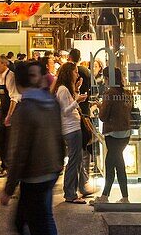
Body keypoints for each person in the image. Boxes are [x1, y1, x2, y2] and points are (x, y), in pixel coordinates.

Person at [0, 60, 64, 235]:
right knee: (35, 218)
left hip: (34, 175)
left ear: (18, 84)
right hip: (49, 170)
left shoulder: (25, 109)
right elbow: (58, 135)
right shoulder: (50, 102)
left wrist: (9, 188)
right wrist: (59, 163)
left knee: (36, 224)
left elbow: (19, 153)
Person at [92, 67, 133, 204]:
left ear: (108, 78)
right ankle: (122, 197)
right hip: (125, 133)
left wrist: (99, 106)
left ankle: (106, 197)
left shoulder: (109, 93)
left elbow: (103, 117)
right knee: (117, 162)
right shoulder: (127, 93)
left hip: (113, 134)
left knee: (112, 164)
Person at [52, 61, 88, 204]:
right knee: (74, 160)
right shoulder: (62, 89)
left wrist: (77, 92)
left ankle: (72, 191)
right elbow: (65, 110)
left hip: (72, 127)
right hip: (70, 128)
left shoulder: (65, 89)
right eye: (75, 72)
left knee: (76, 160)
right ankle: (70, 193)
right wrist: (77, 101)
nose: (77, 75)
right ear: (68, 73)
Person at [68, 49, 95, 196]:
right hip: (83, 110)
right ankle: (82, 182)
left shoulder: (70, 72)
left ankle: (80, 183)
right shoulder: (86, 71)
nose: (77, 74)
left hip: (79, 113)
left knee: (80, 150)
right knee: (83, 148)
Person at [0, 54, 20, 179]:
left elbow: (14, 98)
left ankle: (9, 168)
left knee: (9, 141)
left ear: (5, 64)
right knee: (1, 139)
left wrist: (9, 115)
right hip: (3, 112)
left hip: (11, 114)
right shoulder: (0, 77)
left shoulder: (10, 77)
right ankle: (5, 166)